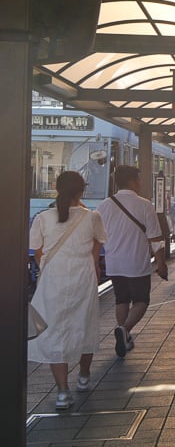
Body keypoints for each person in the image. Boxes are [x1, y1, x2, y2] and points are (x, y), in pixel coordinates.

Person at [27, 171, 107, 410]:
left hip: (53, 279)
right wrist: (91, 262)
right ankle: (83, 376)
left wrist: (46, 266)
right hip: (83, 278)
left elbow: (36, 249)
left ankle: (63, 392)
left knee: (55, 331)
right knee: (84, 325)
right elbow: (99, 241)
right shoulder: (92, 217)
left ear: (56, 189)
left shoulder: (43, 218)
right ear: (82, 191)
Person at [96, 165, 169, 358]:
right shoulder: (145, 204)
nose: (140, 183)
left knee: (122, 299)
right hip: (136, 262)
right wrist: (161, 263)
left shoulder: (104, 205)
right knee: (141, 301)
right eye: (139, 179)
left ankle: (124, 336)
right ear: (131, 181)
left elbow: (98, 237)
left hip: (114, 262)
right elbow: (155, 238)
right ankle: (125, 329)